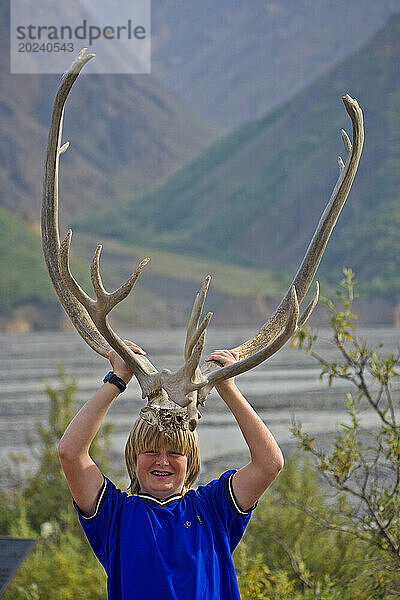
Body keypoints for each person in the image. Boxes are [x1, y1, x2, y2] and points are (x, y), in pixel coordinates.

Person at [58, 340, 284, 599]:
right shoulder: (115, 515)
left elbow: (270, 464)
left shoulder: (213, 509)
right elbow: (71, 454)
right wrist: (118, 379)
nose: (162, 461)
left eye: (175, 453)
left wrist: (228, 388)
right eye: (151, 451)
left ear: (191, 461)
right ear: (133, 456)